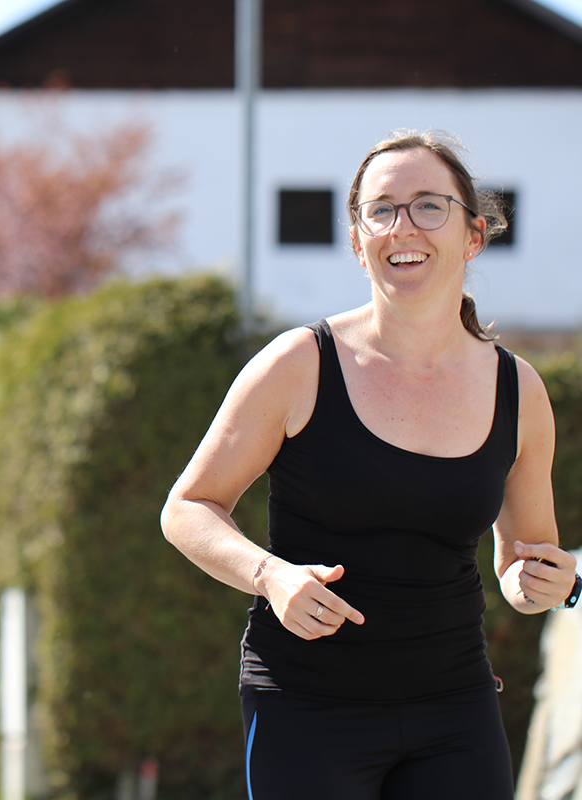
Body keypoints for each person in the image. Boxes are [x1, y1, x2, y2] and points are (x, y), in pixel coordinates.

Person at [161, 129, 582, 800]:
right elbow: (186, 507)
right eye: (381, 209)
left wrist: (542, 584)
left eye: (428, 206)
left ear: (473, 235)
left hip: (455, 707)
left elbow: (521, 560)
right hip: (308, 706)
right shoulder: (298, 365)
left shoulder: (519, 388)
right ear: (358, 241)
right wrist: (270, 576)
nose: (401, 226)